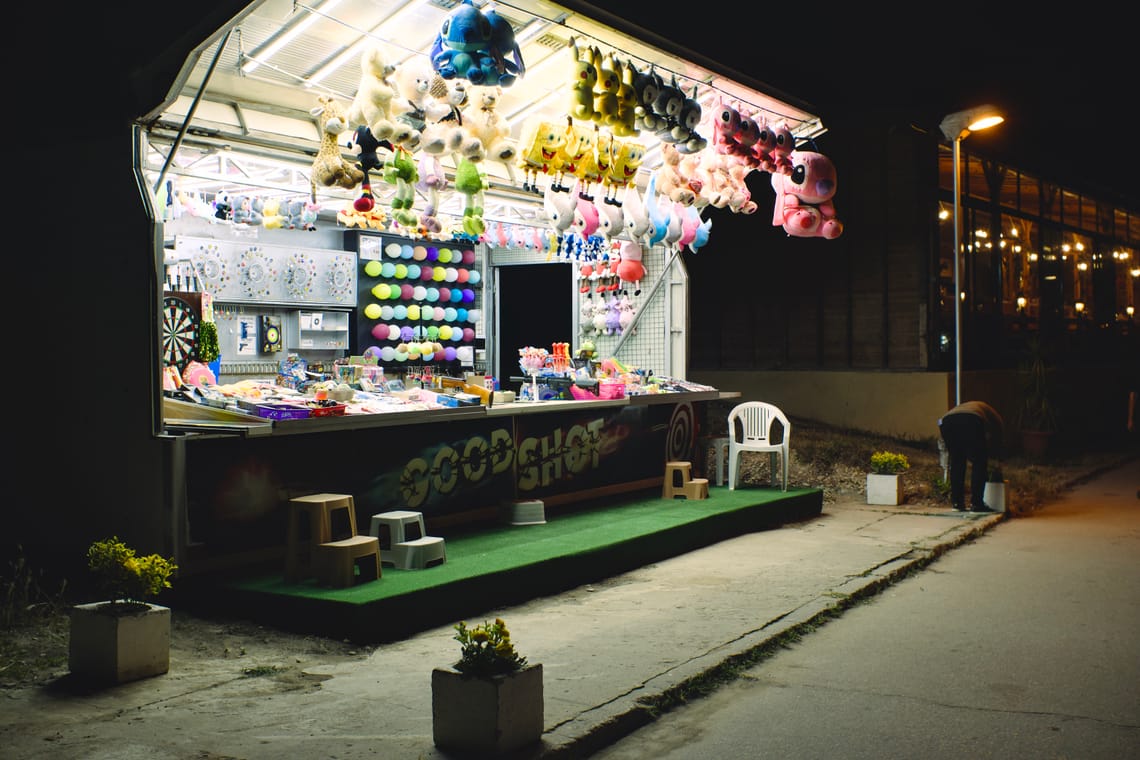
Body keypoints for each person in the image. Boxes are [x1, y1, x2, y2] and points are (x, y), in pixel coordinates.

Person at [937, 400, 1004, 512]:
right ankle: (977, 503)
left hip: (946, 421)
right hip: (971, 419)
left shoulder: (978, 407)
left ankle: (957, 503)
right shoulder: (997, 421)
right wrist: (997, 457)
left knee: (957, 461)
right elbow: (995, 440)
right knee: (980, 462)